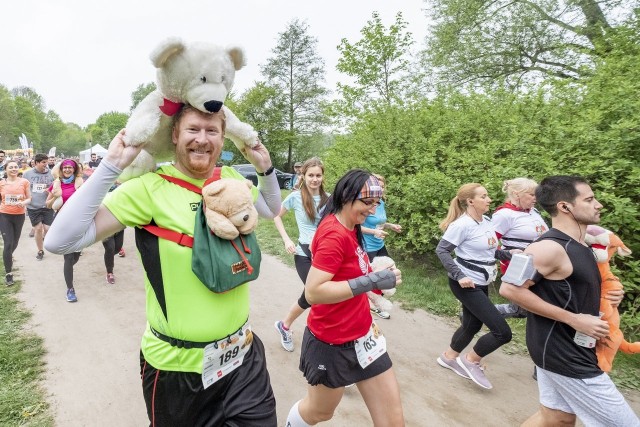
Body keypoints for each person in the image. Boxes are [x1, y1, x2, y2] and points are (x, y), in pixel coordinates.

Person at [44, 105, 281, 426]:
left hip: (243, 358)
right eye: (193, 129)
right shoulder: (149, 188)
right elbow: (59, 240)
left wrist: (265, 168)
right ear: (174, 135)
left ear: (223, 139)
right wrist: (111, 166)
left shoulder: (230, 178)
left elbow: (270, 209)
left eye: (212, 131)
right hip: (177, 370)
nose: (202, 139)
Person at [499, 176, 639, 426]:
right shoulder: (548, 248)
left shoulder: (582, 247)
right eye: (589, 199)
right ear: (565, 207)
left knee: (556, 419)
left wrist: (608, 298)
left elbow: (570, 293)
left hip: (561, 347)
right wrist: (574, 319)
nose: (598, 205)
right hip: (564, 353)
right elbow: (509, 289)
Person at [285, 170, 404, 426]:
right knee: (319, 413)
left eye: (376, 203)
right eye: (367, 203)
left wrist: (376, 278)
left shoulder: (351, 227)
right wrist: (371, 281)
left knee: (393, 423)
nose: (372, 211)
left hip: (365, 336)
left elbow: (350, 276)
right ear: (347, 196)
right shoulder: (333, 234)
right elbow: (314, 292)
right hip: (332, 342)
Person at [434, 183, 513, 390]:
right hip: (466, 283)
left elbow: (489, 251)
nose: (489, 200)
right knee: (502, 332)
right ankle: (471, 360)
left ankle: (449, 357)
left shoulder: (486, 221)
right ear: (470, 201)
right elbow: (442, 250)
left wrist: (509, 254)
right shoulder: (461, 225)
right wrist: (460, 275)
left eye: (487, 196)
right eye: (484, 196)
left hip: (482, 280)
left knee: (472, 325)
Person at [273, 157, 329, 352]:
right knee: (318, 296)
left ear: (323, 176)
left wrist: (370, 231)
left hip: (325, 254)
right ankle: (326, 344)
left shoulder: (329, 199)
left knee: (314, 296)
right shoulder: (295, 197)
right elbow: (276, 217)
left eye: (318, 175)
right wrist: (287, 240)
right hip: (304, 253)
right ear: (303, 176)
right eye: (311, 175)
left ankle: (284, 325)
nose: (314, 179)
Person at [492, 178, 548, 318]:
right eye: (532, 195)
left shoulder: (533, 211)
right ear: (517, 194)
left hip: (540, 264)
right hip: (517, 266)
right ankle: (474, 314)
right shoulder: (504, 215)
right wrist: (507, 255)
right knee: (520, 310)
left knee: (533, 308)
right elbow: (485, 245)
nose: (536, 198)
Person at [361, 173, 402, 319]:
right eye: (378, 187)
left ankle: (375, 301)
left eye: (383, 187)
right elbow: (356, 226)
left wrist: (391, 226)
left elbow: (379, 221)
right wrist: (374, 232)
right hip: (367, 246)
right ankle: (371, 305)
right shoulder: (364, 203)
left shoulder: (381, 203)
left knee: (389, 272)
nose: (381, 190)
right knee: (371, 279)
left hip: (379, 244)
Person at [46, 159, 84, 302]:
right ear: (61, 169)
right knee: (68, 257)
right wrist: (55, 196)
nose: (67, 169)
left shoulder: (81, 184)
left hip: (78, 222)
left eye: (70, 167)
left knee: (75, 257)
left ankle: (67, 268)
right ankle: (70, 289)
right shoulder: (56, 184)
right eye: (65, 167)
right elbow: (48, 205)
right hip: (62, 222)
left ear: (74, 169)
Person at [0, 161, 31, 285]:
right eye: (11, 167)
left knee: (15, 242)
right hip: (4, 215)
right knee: (8, 243)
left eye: (15, 167)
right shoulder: (1, 183)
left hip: (19, 215)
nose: (13, 169)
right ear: (6, 169)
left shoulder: (24, 182)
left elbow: (29, 198)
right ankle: (9, 274)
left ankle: (7, 257)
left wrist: (23, 203)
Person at [23, 154, 55, 260]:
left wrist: (51, 191)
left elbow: (56, 187)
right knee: (38, 229)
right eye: (43, 162)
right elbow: (23, 188)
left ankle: (48, 244)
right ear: (36, 163)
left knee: (47, 228)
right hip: (34, 206)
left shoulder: (52, 173)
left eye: (47, 162)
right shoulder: (27, 174)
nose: (46, 164)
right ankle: (40, 250)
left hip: (47, 205)